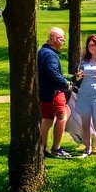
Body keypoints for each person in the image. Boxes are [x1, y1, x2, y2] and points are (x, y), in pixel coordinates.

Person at [39, 27, 73, 159]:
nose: (63, 40)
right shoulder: (50, 55)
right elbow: (51, 72)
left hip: (44, 92)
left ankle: (41, 148)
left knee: (46, 119)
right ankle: (56, 148)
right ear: (53, 39)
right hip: (54, 92)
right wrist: (66, 83)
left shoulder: (42, 51)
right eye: (61, 38)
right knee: (62, 116)